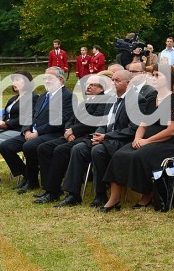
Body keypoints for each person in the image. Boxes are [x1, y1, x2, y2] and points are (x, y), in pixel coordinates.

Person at [57, 68, 156, 207]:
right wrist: (98, 134)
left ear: (128, 83)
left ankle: (101, 194)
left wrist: (106, 136)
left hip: (122, 141)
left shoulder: (137, 100)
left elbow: (133, 129)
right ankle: (73, 194)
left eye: (117, 80)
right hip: (105, 138)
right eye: (113, 80)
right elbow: (102, 122)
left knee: (98, 151)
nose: (113, 83)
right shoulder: (111, 99)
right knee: (78, 148)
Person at [101, 66, 174, 211]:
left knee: (139, 156)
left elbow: (171, 131)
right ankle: (114, 199)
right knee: (119, 155)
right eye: (152, 75)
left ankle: (147, 195)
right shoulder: (152, 99)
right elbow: (142, 124)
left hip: (168, 143)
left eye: (157, 75)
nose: (153, 78)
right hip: (145, 140)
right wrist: (137, 138)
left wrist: (147, 141)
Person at [34, 75, 109, 204]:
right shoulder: (85, 100)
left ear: (101, 89)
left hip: (87, 137)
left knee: (60, 150)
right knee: (44, 148)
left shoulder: (104, 101)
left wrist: (74, 131)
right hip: (72, 135)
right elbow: (71, 119)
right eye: (87, 84)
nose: (88, 87)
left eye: (92, 85)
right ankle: (50, 188)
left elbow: (94, 121)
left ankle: (64, 193)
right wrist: (68, 131)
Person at [0, 67, 75, 193]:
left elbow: (60, 120)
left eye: (49, 78)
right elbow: (30, 115)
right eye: (44, 78)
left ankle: (34, 182)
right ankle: (27, 176)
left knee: (29, 146)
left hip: (53, 134)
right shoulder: (44, 96)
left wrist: (37, 133)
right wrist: (26, 130)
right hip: (32, 133)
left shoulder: (68, 96)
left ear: (61, 79)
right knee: (5, 146)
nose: (46, 81)